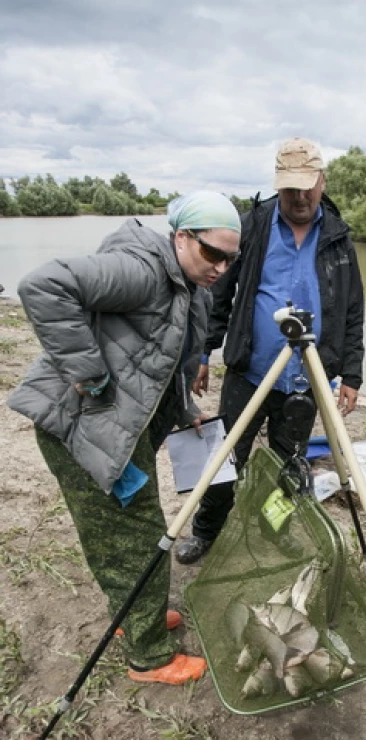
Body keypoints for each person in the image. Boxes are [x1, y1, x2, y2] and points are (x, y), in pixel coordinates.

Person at [8, 192, 241, 685]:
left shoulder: (191, 285)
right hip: (79, 428)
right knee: (136, 538)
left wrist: (188, 410)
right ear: (181, 238)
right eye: (212, 253)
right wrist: (89, 375)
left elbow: (161, 365)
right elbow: (43, 286)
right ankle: (150, 656)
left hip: (114, 430)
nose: (220, 267)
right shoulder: (141, 270)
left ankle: (136, 617)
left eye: (230, 258)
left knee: (122, 535)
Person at [175, 137, 365, 564]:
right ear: (276, 184)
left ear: (322, 180)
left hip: (309, 377)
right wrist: (204, 351)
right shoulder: (253, 224)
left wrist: (351, 373)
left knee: (290, 467)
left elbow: (353, 309)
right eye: (289, 187)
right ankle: (207, 531)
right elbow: (218, 290)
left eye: (307, 186)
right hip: (250, 369)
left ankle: (269, 534)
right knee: (226, 458)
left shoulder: (338, 236)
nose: (299, 197)